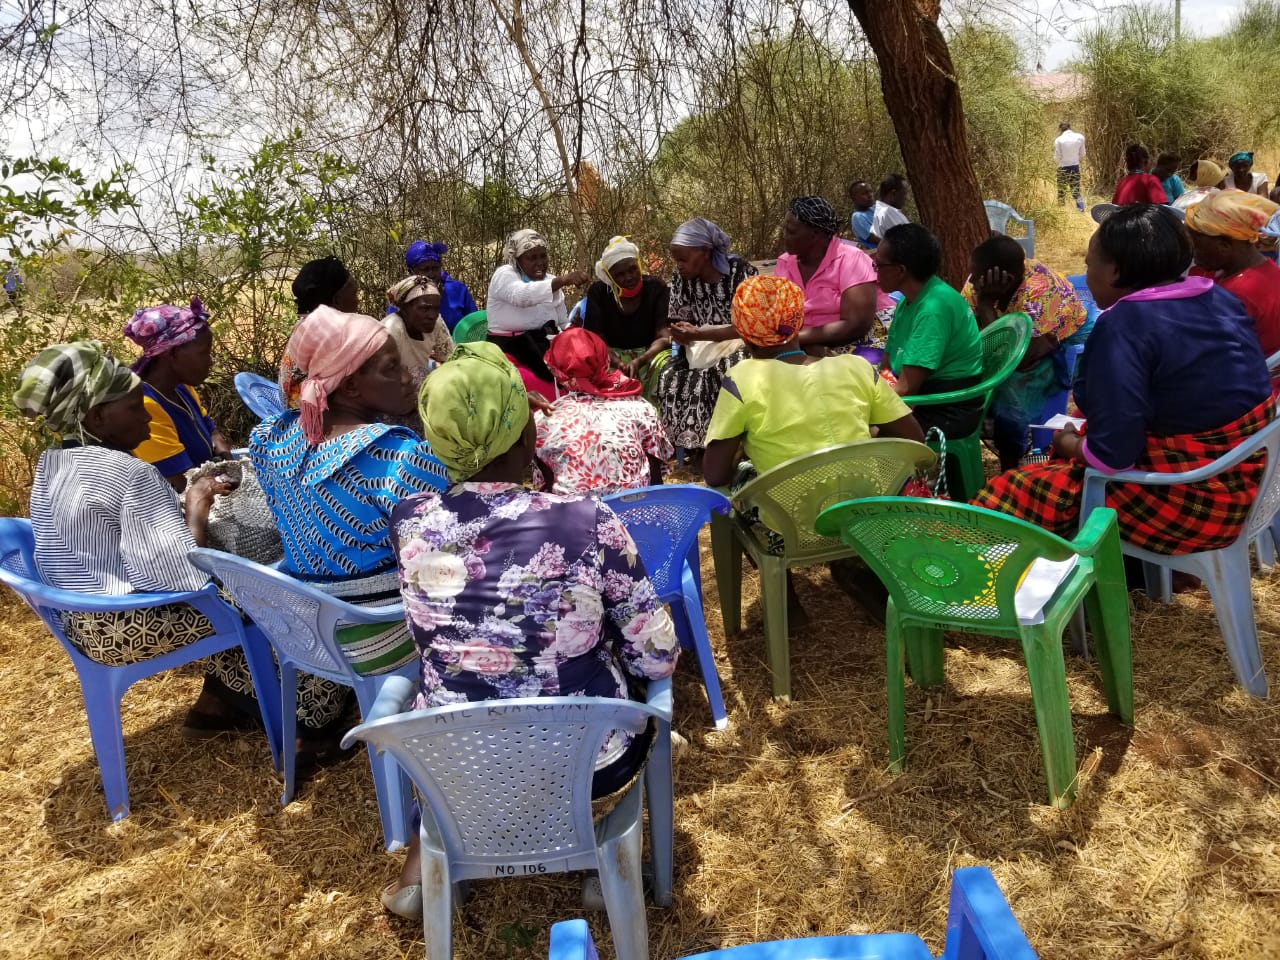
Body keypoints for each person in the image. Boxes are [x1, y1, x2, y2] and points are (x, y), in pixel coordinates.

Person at [378, 341, 679, 918]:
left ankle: (432, 863)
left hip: (454, 766)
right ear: (525, 435)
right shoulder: (587, 519)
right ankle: (600, 859)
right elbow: (655, 655)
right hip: (588, 765)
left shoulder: (409, 521)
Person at [973, 204, 1274, 556]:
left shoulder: (1124, 327)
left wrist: (1070, 444)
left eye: (1089, 264)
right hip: (1246, 479)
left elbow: (1111, 457)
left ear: (1114, 270)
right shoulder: (1217, 296)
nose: (1087, 273)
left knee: (1007, 493)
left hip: (1190, 501)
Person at [15, 340, 260, 737]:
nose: (148, 419)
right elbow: (183, 579)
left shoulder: (51, 463)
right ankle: (289, 707)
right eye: (135, 408)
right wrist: (195, 505)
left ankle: (219, 700)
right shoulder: (130, 474)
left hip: (80, 622)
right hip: (127, 627)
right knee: (263, 590)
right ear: (97, 418)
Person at [251, 306, 450, 686]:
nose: (409, 377)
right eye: (391, 368)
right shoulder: (397, 458)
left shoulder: (270, 438)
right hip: (379, 635)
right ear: (352, 386)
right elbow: (441, 565)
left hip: (305, 631)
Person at [703, 275, 923, 487]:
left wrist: (744, 448)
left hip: (787, 520)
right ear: (798, 323)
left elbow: (715, 475)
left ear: (744, 336)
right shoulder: (856, 368)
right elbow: (913, 438)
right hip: (861, 513)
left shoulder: (742, 379)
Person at [961, 237, 1089, 470]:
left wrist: (987, 306)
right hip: (1020, 333)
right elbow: (966, 329)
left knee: (1012, 395)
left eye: (975, 277)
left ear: (1004, 278)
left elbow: (1016, 358)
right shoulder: (977, 283)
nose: (971, 283)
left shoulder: (1038, 291)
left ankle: (1011, 463)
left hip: (1060, 333)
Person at [653, 217, 757, 453]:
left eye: (683, 259)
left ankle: (725, 447)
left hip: (742, 343)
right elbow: (680, 319)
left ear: (705, 252)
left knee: (727, 371)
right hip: (699, 345)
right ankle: (690, 446)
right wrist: (681, 333)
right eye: (676, 260)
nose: (679, 265)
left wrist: (700, 334)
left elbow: (750, 325)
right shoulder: (682, 279)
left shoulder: (740, 272)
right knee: (669, 374)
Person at [874, 224, 984, 440]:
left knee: (861, 436)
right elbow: (886, 366)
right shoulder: (909, 301)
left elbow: (906, 389)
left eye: (878, 264)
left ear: (901, 270)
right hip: (923, 398)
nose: (875, 270)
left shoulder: (933, 308)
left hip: (945, 408)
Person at [534, 327, 672, 495]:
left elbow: (551, 488)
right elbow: (655, 481)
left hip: (576, 519)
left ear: (557, 373)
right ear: (604, 362)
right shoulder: (641, 408)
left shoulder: (543, 419)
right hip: (637, 515)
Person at [123, 298, 234, 491]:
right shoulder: (145, 409)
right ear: (171, 354)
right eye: (204, 353)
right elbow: (183, 484)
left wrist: (221, 448)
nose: (210, 362)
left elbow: (210, 429)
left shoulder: (181, 388)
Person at [774, 196, 896, 356]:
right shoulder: (784, 263)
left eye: (791, 231)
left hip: (866, 337)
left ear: (815, 234)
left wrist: (792, 340)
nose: (784, 236)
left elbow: (856, 325)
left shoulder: (851, 260)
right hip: (806, 343)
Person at [485, 228, 589, 399]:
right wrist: (563, 280)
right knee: (543, 390)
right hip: (509, 349)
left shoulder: (550, 280)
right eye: (531, 258)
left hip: (544, 347)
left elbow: (562, 322)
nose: (540, 262)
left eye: (543, 256)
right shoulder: (504, 275)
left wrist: (572, 328)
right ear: (517, 260)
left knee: (582, 376)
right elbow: (521, 296)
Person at [1186, 189, 1280, 374]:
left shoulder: (1233, 296)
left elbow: (1213, 360)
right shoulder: (1268, 269)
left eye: (1197, 245)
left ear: (1224, 245)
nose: (1193, 253)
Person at [580, 235, 671, 397]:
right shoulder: (599, 292)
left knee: (666, 366)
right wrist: (618, 362)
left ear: (638, 264)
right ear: (609, 276)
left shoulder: (657, 288)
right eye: (620, 274)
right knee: (593, 370)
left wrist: (640, 360)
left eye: (633, 269)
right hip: (610, 356)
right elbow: (595, 340)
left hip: (649, 354)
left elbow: (664, 337)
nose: (629, 277)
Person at [281, 256, 361, 408]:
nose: (358, 301)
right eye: (354, 294)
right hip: (315, 422)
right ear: (337, 300)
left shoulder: (307, 324)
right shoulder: (331, 334)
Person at [383, 276, 454, 390]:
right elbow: (384, 381)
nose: (432, 315)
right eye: (424, 309)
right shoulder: (391, 330)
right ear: (404, 308)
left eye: (436, 309)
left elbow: (450, 361)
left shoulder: (437, 322)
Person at [403, 240, 477, 332]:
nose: (431, 274)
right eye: (425, 269)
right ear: (411, 271)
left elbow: (475, 325)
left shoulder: (457, 290)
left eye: (435, 268)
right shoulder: (402, 298)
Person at [1054, 121, 1087, 211]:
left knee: (1061, 191)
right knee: (1076, 190)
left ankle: (1061, 211)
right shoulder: (1080, 137)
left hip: (1062, 168)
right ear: (1069, 127)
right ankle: (1081, 209)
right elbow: (1083, 153)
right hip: (1074, 167)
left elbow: (1057, 157)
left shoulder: (1059, 140)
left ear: (1060, 129)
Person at [869, 174, 910, 245]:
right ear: (893, 194)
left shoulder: (883, 211)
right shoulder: (888, 213)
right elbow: (908, 243)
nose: (907, 198)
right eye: (904, 193)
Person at [848, 179, 877, 249]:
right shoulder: (857, 218)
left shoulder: (874, 209)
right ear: (854, 198)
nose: (870, 195)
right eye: (865, 193)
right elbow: (878, 240)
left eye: (871, 191)